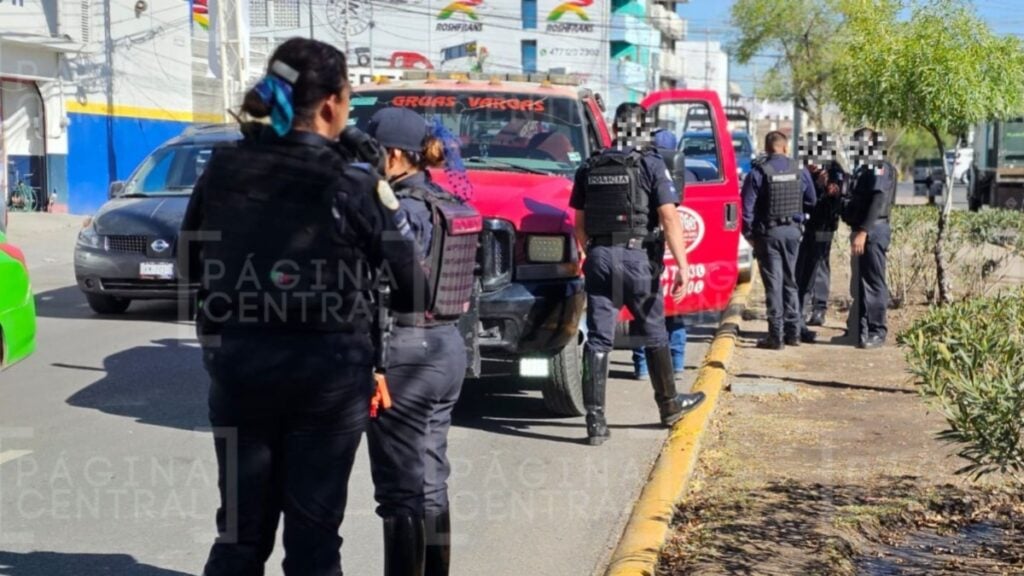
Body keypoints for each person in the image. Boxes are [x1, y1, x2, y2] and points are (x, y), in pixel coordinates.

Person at [179, 38, 429, 575]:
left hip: (239, 372)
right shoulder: (354, 181)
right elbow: (413, 286)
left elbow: (190, 267)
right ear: (333, 104)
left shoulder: (223, 169)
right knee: (314, 543)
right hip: (327, 382)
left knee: (240, 537)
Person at [364, 108, 477, 576]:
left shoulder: (401, 210)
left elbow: (377, 284)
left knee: (399, 492)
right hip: (446, 346)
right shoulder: (444, 201)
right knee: (430, 478)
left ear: (392, 155)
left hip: (405, 353)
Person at [571, 102, 705, 446]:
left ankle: (596, 423)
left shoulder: (590, 165)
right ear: (643, 129)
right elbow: (670, 217)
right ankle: (670, 406)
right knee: (654, 332)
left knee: (599, 338)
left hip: (600, 256)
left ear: (616, 128)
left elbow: (579, 223)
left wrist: (594, 252)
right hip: (636, 257)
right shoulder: (649, 162)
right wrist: (683, 266)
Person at [741, 131, 817, 350]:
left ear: (767, 148)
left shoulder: (758, 172)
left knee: (773, 284)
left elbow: (746, 210)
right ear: (785, 147)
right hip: (793, 233)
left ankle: (776, 336)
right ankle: (793, 334)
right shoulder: (799, 170)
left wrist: (749, 235)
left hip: (768, 235)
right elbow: (811, 199)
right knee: (791, 281)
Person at [842, 127, 896, 349]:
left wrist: (863, 231)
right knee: (861, 284)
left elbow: (877, 201)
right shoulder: (864, 168)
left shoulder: (879, 167)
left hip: (873, 230)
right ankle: (860, 330)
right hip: (864, 230)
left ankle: (876, 331)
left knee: (873, 283)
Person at [796, 159, 846, 330]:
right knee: (804, 265)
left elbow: (834, 198)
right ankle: (803, 305)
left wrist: (821, 186)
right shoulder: (803, 170)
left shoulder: (833, 171)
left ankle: (819, 309)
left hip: (824, 224)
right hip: (806, 225)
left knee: (820, 264)